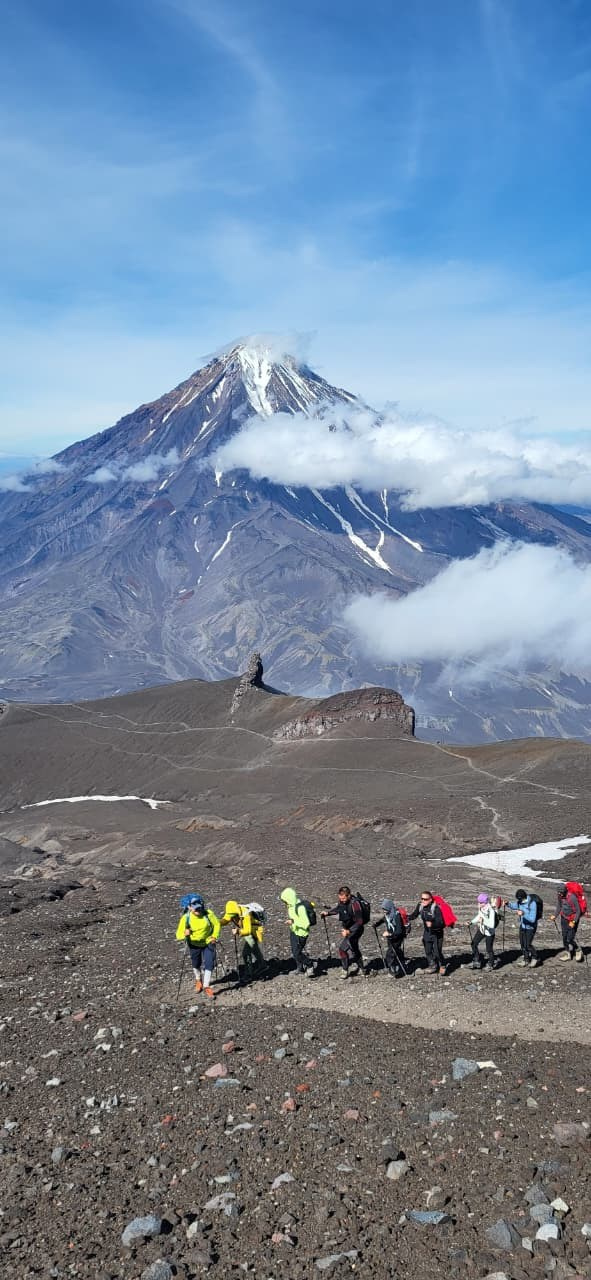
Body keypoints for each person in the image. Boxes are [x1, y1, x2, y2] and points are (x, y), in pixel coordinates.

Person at [175, 893, 220, 998]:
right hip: (194, 944)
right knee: (196, 963)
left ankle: (206, 986)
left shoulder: (209, 914)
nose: (198, 910)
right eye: (195, 909)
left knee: (210, 963)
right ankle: (198, 980)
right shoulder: (186, 918)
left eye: (199, 908)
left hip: (208, 942)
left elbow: (216, 924)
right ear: (189, 908)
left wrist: (214, 936)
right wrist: (185, 934)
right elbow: (178, 934)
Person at [321, 887, 365, 979]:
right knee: (354, 949)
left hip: (356, 930)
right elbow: (339, 909)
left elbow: (360, 921)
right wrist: (328, 913)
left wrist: (349, 931)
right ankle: (362, 969)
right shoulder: (342, 902)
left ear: (349, 895)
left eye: (344, 898)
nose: (342, 900)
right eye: (340, 898)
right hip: (349, 929)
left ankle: (345, 971)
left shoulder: (355, 904)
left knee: (342, 949)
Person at [220, 900, 266, 980]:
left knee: (246, 953)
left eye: (234, 915)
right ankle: (263, 966)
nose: (232, 917)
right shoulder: (231, 912)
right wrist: (216, 923)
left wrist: (238, 931)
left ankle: (248, 974)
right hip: (249, 933)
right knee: (254, 948)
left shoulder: (245, 914)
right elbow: (225, 920)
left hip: (255, 931)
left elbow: (247, 931)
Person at [408, 891, 447, 975]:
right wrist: (404, 917)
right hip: (427, 932)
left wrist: (432, 924)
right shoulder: (420, 906)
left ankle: (442, 965)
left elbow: (441, 923)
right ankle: (432, 966)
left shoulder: (435, 908)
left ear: (430, 899)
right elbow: (414, 915)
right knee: (428, 950)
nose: (423, 900)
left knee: (437, 952)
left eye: (425, 899)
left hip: (437, 933)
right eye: (422, 898)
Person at [280, 888, 316, 976]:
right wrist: (292, 922)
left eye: (285, 900)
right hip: (294, 931)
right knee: (294, 951)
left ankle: (310, 965)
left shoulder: (300, 908)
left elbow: (306, 924)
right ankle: (300, 968)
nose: (285, 903)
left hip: (301, 934)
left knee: (297, 953)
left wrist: (293, 922)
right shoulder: (291, 906)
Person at [373, 898, 407, 977]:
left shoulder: (396, 916)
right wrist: (376, 924)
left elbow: (399, 931)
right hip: (391, 937)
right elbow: (383, 919)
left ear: (389, 907)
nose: (384, 911)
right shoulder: (388, 915)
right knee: (395, 951)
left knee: (391, 953)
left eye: (385, 909)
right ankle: (399, 965)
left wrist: (390, 934)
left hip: (397, 937)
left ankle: (393, 970)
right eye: (383, 909)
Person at [505, 889, 540, 967]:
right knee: (522, 944)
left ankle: (535, 957)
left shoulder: (532, 903)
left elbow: (532, 919)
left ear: (523, 897)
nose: (519, 901)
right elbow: (515, 906)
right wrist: (508, 904)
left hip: (530, 927)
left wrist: (523, 914)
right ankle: (526, 959)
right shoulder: (520, 902)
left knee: (528, 945)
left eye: (520, 899)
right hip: (523, 926)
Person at [550, 884, 583, 962]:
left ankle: (578, 950)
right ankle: (568, 954)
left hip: (572, 919)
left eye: (561, 892)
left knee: (570, 938)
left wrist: (574, 921)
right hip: (564, 918)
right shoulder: (560, 896)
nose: (559, 894)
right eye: (558, 892)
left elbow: (578, 911)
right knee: (564, 937)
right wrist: (555, 915)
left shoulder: (572, 897)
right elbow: (559, 906)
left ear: (565, 891)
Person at [468, 893, 499, 971]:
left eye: (481, 902)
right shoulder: (481, 908)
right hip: (482, 930)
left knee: (489, 949)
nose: (479, 904)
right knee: (473, 944)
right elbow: (479, 916)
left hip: (489, 933)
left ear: (485, 902)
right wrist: (471, 922)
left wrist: (483, 922)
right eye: (478, 902)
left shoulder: (491, 910)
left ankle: (491, 964)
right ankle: (476, 960)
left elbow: (491, 925)